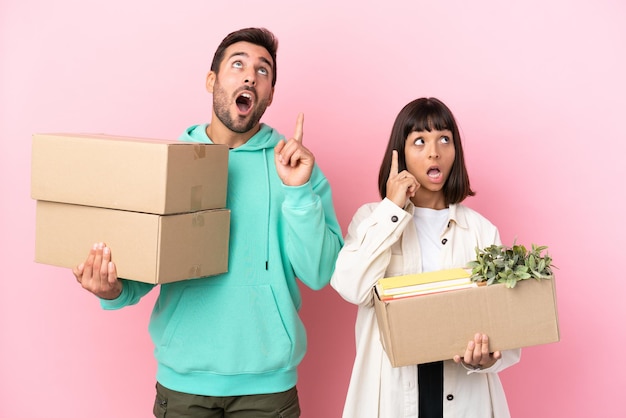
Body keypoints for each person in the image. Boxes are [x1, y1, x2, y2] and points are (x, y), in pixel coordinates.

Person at [72, 27, 343, 418]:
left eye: (263, 71)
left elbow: (320, 272)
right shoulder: (171, 164)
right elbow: (143, 270)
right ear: (212, 80)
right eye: (238, 65)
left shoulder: (296, 166)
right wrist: (110, 289)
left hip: (268, 388)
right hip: (183, 385)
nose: (250, 75)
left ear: (269, 94)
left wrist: (299, 193)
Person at [330, 97, 521, 418]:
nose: (434, 151)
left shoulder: (481, 231)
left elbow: (508, 331)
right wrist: (392, 210)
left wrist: (489, 358)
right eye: (420, 141)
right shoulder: (372, 218)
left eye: (444, 139)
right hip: (390, 396)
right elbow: (352, 287)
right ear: (400, 154)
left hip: (464, 395)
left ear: (455, 151)